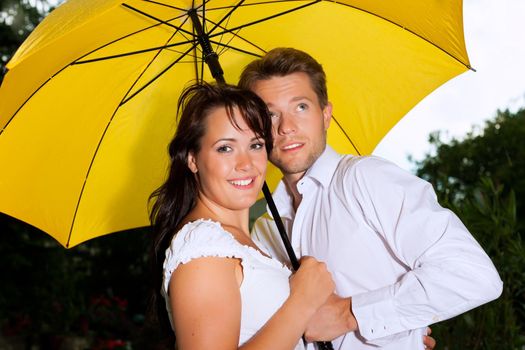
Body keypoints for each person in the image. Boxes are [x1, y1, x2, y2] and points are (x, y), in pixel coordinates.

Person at [238, 48, 503, 349]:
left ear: (325, 115)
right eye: (270, 114)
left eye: (300, 107)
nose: (286, 127)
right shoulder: (264, 229)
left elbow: (473, 274)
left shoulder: (365, 179)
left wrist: (351, 313)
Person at [148, 82, 336, 350]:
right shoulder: (203, 248)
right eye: (225, 148)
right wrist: (302, 302)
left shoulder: (245, 242)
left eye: (256, 145)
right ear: (192, 159)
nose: (246, 164)